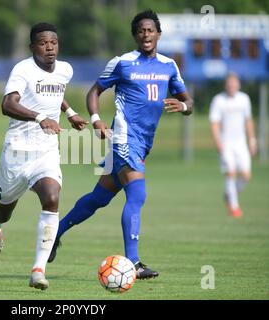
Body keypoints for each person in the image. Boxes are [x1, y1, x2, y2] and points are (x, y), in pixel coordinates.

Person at [47, 10, 194, 279]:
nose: (146, 35)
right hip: (124, 139)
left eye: (150, 30)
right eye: (141, 31)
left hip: (144, 143)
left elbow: (189, 103)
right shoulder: (123, 63)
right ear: (135, 35)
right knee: (137, 194)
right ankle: (134, 262)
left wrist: (183, 104)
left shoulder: (169, 66)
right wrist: (95, 120)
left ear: (158, 34)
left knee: (98, 199)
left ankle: (55, 232)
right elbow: (94, 91)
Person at [0, 22, 88, 290]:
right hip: (16, 152)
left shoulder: (65, 69)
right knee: (4, 211)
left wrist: (70, 113)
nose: (49, 47)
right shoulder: (23, 70)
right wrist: (40, 118)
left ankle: (38, 270)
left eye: (54, 42)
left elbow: (55, 91)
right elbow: (7, 105)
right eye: (42, 43)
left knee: (52, 197)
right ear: (32, 47)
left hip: (46, 151)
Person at [209, 73, 257, 218]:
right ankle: (234, 207)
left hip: (240, 143)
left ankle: (230, 194)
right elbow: (215, 123)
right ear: (226, 85)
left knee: (246, 176)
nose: (231, 86)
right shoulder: (219, 100)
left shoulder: (244, 99)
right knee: (230, 172)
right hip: (226, 143)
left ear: (238, 84)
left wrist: (252, 140)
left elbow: (248, 121)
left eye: (234, 83)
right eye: (229, 83)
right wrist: (219, 143)